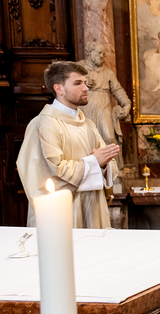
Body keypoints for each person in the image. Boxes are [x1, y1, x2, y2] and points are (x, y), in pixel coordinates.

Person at [17, 61, 119, 228]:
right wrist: (94, 162)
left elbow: (106, 163)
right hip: (62, 216)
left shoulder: (88, 124)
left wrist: (103, 164)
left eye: (85, 83)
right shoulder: (43, 124)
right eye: (78, 83)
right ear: (59, 89)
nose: (86, 88)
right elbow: (49, 175)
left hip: (94, 209)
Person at [78, 43, 130, 170]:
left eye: (103, 54)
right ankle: (89, 168)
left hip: (103, 107)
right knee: (86, 139)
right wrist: (82, 81)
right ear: (89, 52)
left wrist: (127, 104)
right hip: (85, 108)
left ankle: (114, 170)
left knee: (109, 137)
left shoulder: (107, 72)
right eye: (99, 53)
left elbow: (118, 90)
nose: (102, 56)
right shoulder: (79, 68)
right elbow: (67, 83)